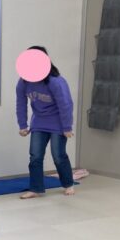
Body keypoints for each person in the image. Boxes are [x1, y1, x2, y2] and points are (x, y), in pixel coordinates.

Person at [16, 45, 76, 199]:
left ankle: (68, 183)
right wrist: (22, 125)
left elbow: (66, 105)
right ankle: (36, 188)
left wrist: (67, 127)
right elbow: (21, 103)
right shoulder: (24, 82)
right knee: (35, 156)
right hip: (39, 123)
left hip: (58, 123)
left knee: (58, 155)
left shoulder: (56, 82)